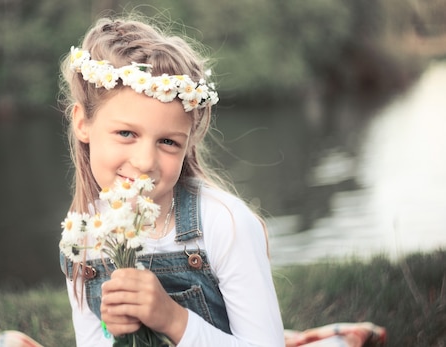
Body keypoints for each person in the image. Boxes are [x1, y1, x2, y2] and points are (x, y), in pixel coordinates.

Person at [58, 14, 285, 346]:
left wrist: (173, 319)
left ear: (187, 143)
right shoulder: (83, 236)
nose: (145, 162)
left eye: (168, 142)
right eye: (126, 133)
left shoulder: (224, 225)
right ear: (83, 124)